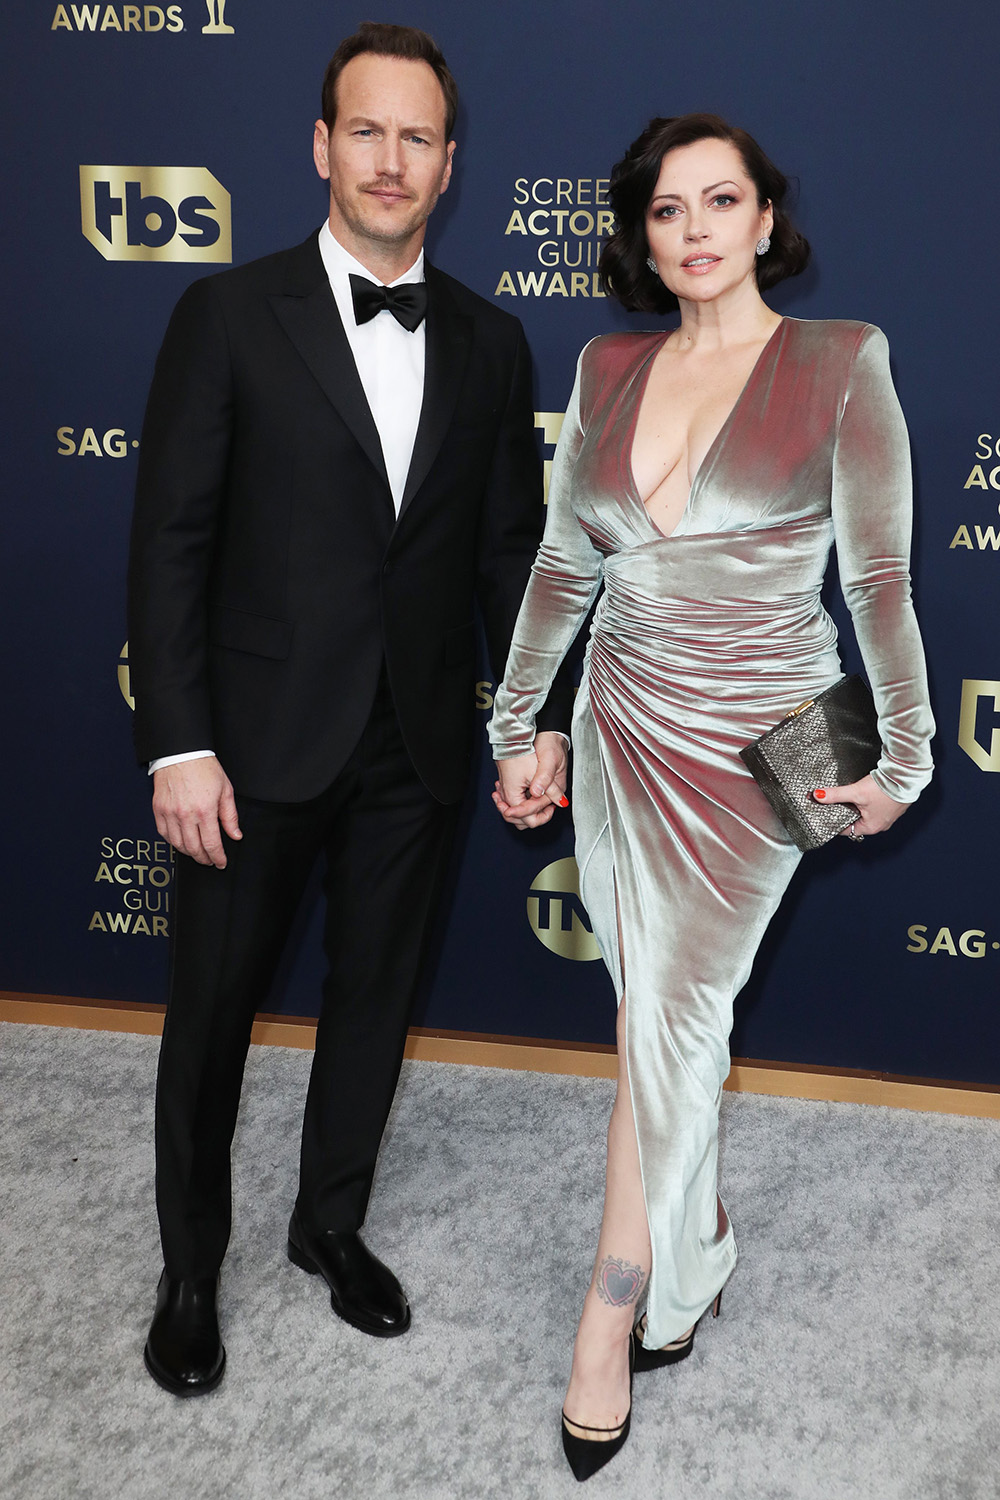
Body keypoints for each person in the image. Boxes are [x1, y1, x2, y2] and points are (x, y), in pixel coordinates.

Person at [489, 113, 934, 1480]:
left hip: (766, 743)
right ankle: (697, 1251)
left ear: (763, 219)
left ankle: (610, 1302)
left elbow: (875, 581)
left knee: (676, 1011)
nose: (692, 229)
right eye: (665, 209)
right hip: (623, 723)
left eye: (718, 200)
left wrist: (905, 750)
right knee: (652, 1010)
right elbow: (569, 567)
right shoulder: (607, 365)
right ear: (640, 233)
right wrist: (522, 720)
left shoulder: (839, 360)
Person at [128, 21, 571, 1397]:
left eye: (418, 136)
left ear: (451, 166)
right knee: (212, 1014)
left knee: (375, 1003)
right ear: (323, 148)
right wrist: (180, 743)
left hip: (418, 744)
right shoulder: (226, 313)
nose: (391, 159)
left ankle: (330, 1227)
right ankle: (191, 1265)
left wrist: (528, 718)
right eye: (366, 130)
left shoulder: (496, 342)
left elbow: (510, 552)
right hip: (251, 747)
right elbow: (169, 546)